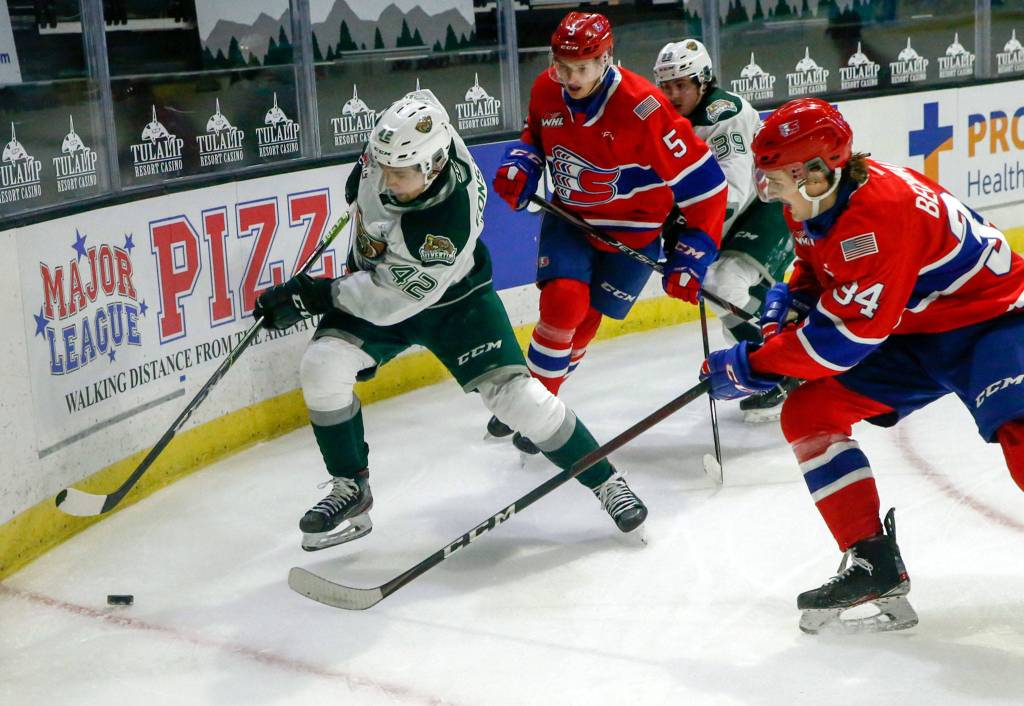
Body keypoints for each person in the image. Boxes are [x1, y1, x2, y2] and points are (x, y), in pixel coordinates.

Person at [253, 92, 648, 551]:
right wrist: (367, 168)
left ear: (434, 167)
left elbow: (390, 299)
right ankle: (350, 485)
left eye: (399, 173)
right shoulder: (410, 144)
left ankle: (606, 481)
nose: (387, 178)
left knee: (520, 401)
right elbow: (421, 100)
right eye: (382, 165)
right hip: (382, 283)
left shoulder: (444, 225)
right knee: (322, 365)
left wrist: (312, 296)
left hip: (455, 304)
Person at [698, 97, 1024, 633]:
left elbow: (842, 342)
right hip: (919, 330)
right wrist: (790, 300)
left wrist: (752, 363)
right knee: (809, 414)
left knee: (1020, 433)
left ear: (814, 172)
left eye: (776, 177)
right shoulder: (812, 202)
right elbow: (817, 271)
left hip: (992, 320)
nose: (767, 188)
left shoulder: (879, 217)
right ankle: (873, 565)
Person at [488, 12, 728, 453]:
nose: (570, 78)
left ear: (605, 60)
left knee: (584, 324)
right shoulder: (546, 88)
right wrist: (524, 160)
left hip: (634, 233)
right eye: (562, 66)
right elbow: (535, 136)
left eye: (581, 67)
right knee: (563, 303)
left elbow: (706, 183)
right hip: (571, 219)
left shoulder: (643, 107)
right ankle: (536, 410)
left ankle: (537, 395)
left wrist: (697, 248)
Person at [653, 38, 797, 422]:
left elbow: (731, 194)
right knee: (717, 290)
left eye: (681, 85)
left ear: (703, 81)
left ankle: (786, 362)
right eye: (666, 86)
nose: (673, 94)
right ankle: (780, 358)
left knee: (723, 285)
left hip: (768, 207)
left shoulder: (724, 115)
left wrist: (684, 233)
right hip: (729, 218)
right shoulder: (660, 120)